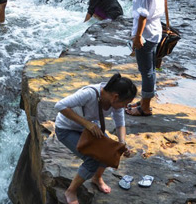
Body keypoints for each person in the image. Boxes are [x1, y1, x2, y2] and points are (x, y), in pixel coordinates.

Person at [55, 73, 136, 204]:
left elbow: (120, 124)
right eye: (125, 103)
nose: (125, 107)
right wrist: (87, 123)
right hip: (66, 129)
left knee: (109, 151)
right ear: (115, 97)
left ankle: (96, 178)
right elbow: (59, 106)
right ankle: (71, 191)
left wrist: (122, 143)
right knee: (92, 160)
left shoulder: (114, 102)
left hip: (88, 129)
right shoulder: (89, 94)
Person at [126, 0, 165, 117]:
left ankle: (145, 107)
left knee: (146, 71)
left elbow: (143, 14)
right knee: (150, 69)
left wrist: (138, 37)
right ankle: (144, 100)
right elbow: (151, 3)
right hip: (155, 30)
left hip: (146, 33)